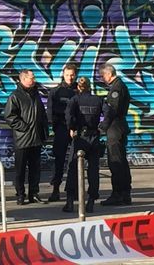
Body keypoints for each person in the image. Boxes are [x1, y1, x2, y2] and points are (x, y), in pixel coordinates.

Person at [3, 69, 48, 205]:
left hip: (36, 138)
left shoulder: (36, 94)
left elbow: (42, 114)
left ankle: (34, 193)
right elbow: (9, 116)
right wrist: (24, 127)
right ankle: (20, 194)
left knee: (35, 169)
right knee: (20, 170)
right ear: (23, 79)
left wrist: (44, 130)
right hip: (22, 139)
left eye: (33, 78)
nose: (34, 80)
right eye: (31, 78)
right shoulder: (15, 96)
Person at [63, 76, 103, 213]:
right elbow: (108, 114)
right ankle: (91, 201)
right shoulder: (98, 100)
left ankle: (69, 201)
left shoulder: (75, 99)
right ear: (90, 86)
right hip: (94, 136)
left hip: (80, 136)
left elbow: (68, 115)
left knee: (73, 168)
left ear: (79, 87)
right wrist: (102, 127)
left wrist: (71, 128)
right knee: (93, 170)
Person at [98, 63, 132, 206]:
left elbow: (112, 110)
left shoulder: (116, 88)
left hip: (115, 129)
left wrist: (102, 127)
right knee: (121, 162)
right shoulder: (120, 85)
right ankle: (125, 194)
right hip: (119, 127)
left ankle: (118, 194)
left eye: (102, 75)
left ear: (108, 74)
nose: (102, 78)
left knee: (116, 162)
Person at [46, 63, 78, 202]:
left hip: (76, 130)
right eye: (67, 75)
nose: (70, 78)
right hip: (61, 129)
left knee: (76, 160)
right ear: (63, 75)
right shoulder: (55, 92)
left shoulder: (79, 91)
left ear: (75, 75)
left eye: (72, 75)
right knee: (58, 160)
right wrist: (56, 126)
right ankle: (55, 190)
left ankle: (74, 190)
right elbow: (50, 112)